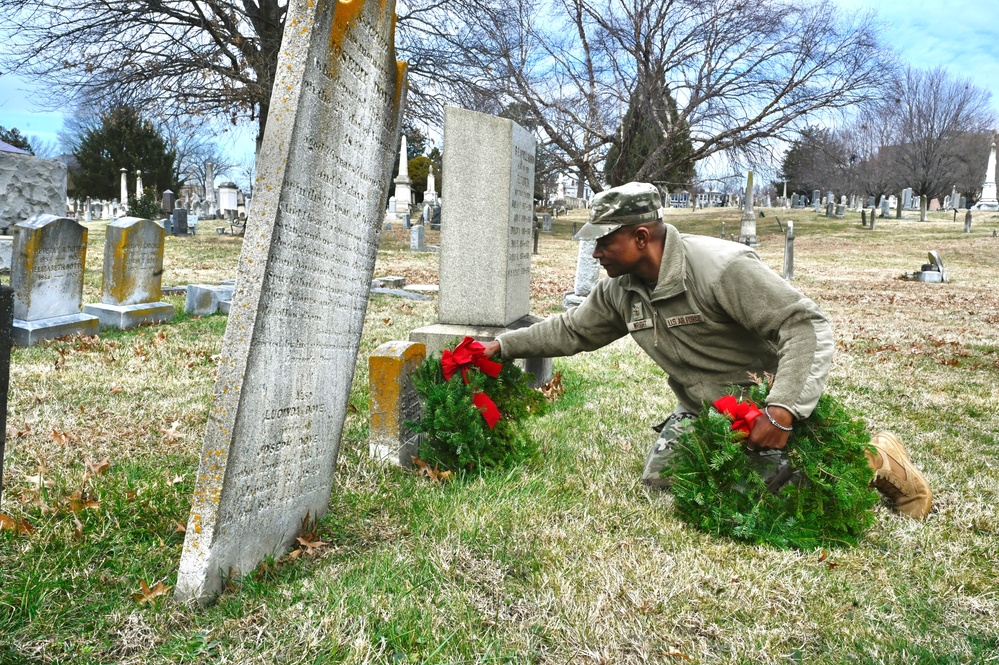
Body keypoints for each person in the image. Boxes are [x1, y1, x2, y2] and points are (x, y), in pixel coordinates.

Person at [480, 182, 932, 519]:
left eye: (603, 240)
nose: (595, 252)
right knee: (669, 484)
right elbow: (572, 331)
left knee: (772, 496)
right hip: (704, 410)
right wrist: (501, 346)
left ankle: (874, 455)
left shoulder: (720, 269)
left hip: (759, 408)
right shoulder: (622, 289)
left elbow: (804, 325)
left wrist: (783, 411)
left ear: (640, 237)